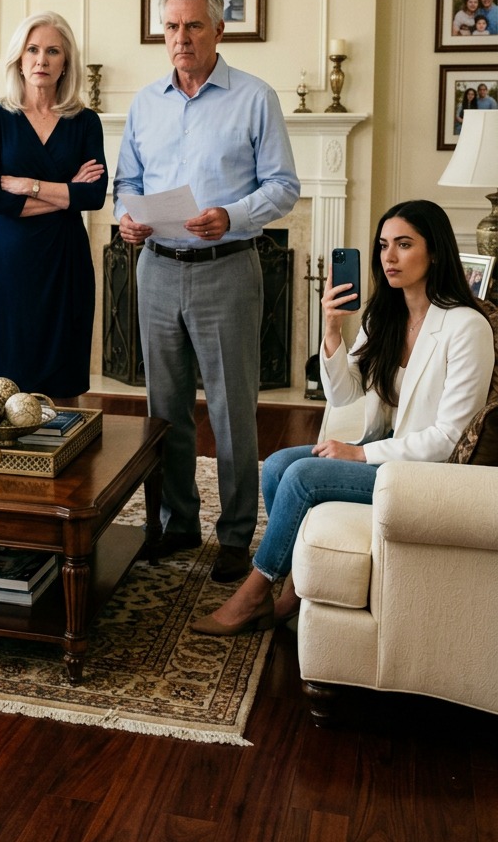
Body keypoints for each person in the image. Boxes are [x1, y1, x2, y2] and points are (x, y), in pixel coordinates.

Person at [191, 199, 494, 636]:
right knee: (278, 465)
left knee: (301, 477)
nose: (389, 257)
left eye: (404, 245)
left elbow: (448, 438)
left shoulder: (466, 327)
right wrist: (331, 328)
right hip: (389, 449)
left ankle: (256, 593)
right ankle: (297, 588)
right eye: (383, 245)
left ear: (436, 252)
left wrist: (358, 453)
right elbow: (345, 392)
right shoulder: (385, 315)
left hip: (426, 473)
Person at [114, 0, 300, 582]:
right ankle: (178, 524)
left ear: (219, 30)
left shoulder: (255, 98)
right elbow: (128, 183)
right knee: (163, 408)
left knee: (231, 410)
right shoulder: (145, 103)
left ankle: (237, 536)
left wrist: (233, 216)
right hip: (158, 269)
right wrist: (127, 219)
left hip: (227, 271)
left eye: (193, 26)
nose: (180, 38)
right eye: (171, 27)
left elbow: (284, 187)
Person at [0, 10, 107, 402]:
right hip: (8, 264)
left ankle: (65, 458)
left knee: (62, 385)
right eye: (32, 49)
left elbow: (94, 197)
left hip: (65, 263)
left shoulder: (85, 122)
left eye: (52, 51)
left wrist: (28, 186)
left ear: (66, 62)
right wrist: (66, 193)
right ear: (19, 57)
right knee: (2, 385)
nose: (41, 60)